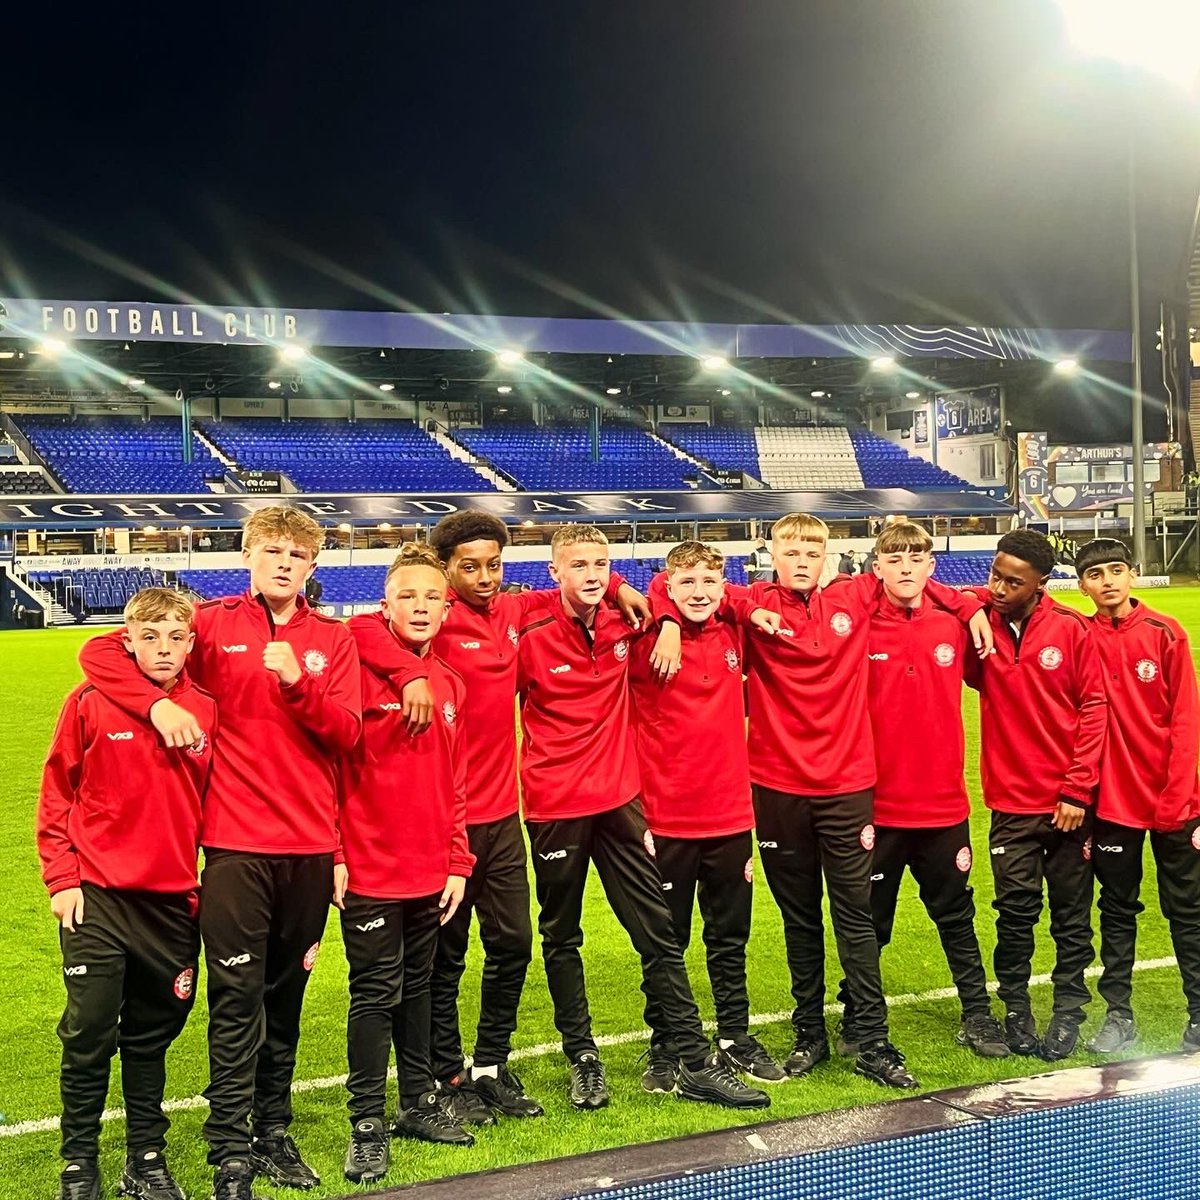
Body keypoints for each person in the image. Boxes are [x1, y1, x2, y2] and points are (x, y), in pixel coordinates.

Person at [78, 506, 365, 1200]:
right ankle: (230, 1149)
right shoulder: (208, 624)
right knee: (237, 1000)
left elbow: (347, 734)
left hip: (309, 847)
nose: (284, 563)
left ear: (313, 565)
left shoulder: (333, 639)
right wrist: (155, 706)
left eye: (297, 554)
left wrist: (298, 684)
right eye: (271, 550)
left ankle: (273, 1132)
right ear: (247, 556)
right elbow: (101, 653)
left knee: (285, 1002)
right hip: (235, 845)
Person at [653, 512, 992, 1089]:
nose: (803, 561)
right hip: (777, 788)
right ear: (772, 556)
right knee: (801, 917)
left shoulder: (853, 597)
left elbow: (913, 578)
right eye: (791, 551)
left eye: (813, 551)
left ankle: (873, 1040)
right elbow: (676, 584)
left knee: (855, 915)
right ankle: (809, 1031)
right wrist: (665, 620)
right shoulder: (750, 601)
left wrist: (967, 606)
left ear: (829, 557)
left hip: (848, 788)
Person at [349, 510, 650, 1125]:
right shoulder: (432, 618)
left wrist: (621, 585)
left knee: (513, 944)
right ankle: (446, 1075)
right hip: (443, 823)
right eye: (470, 567)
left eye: (494, 565)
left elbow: (577, 584)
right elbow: (359, 628)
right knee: (445, 960)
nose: (485, 577)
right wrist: (408, 672)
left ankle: (489, 1064)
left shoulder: (515, 611)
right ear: (444, 572)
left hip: (501, 814)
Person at [519, 523, 769, 1111]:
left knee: (657, 932)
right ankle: (583, 1058)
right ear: (553, 570)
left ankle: (692, 1059)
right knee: (561, 935)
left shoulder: (628, 624)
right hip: (554, 804)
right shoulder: (529, 626)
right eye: (577, 564)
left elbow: (691, 591)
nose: (591, 574)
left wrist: (662, 614)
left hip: (620, 803)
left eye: (601, 564)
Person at [38, 588, 216, 1200]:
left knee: (150, 1036)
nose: (163, 649)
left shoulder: (207, 709)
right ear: (128, 640)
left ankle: (145, 1157)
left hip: (172, 903)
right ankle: (78, 1164)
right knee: (89, 1032)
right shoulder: (88, 701)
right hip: (97, 898)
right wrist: (62, 878)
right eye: (149, 637)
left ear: (191, 643)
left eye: (175, 637)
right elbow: (56, 794)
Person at [834, 521, 1007, 1059]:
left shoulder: (955, 623)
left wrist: (965, 605)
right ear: (876, 567)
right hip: (876, 805)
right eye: (894, 559)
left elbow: (992, 600)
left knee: (956, 915)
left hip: (942, 804)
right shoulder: (858, 623)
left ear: (933, 567)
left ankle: (978, 1014)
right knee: (870, 920)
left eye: (916, 558)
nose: (905, 567)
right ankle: (857, 1014)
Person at [338, 546, 476, 1184]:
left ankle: (418, 1102)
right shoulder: (355, 666)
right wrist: (337, 853)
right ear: (384, 605)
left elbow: (456, 780)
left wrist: (457, 860)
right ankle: (366, 1124)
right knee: (374, 991)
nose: (420, 608)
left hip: (430, 865)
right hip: (369, 865)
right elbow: (330, 769)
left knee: (418, 986)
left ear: (447, 609)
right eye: (407, 597)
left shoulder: (451, 684)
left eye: (432, 598)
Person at [631, 542, 785, 1090]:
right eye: (686, 583)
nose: (699, 592)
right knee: (665, 940)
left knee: (729, 936)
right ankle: (665, 1042)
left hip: (729, 813)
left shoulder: (733, 628)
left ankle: (735, 1035)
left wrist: (724, 605)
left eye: (709, 582)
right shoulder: (645, 634)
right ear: (668, 586)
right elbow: (648, 589)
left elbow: (739, 597)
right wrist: (668, 621)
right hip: (665, 815)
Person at [964, 528, 1107, 1061]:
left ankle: (1069, 1011)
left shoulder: (1071, 629)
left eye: (1013, 582)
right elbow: (932, 591)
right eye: (994, 576)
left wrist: (1076, 789)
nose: (998, 588)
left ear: (1041, 584)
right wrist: (972, 605)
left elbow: (1095, 708)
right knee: (1015, 913)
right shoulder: (982, 624)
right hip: (1010, 802)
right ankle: (1017, 1010)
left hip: (1067, 804)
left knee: (1071, 916)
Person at [1074, 539, 1200, 1054]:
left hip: (1176, 801)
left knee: (1188, 910)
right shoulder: (1080, 636)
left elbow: (1186, 719)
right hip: (1113, 804)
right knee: (1117, 908)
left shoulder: (1165, 632)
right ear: (1082, 585)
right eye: (1095, 574)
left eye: (1115, 570)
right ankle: (1118, 1015)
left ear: (1132, 574)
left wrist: (1177, 796)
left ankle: (1199, 1015)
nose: (1107, 581)